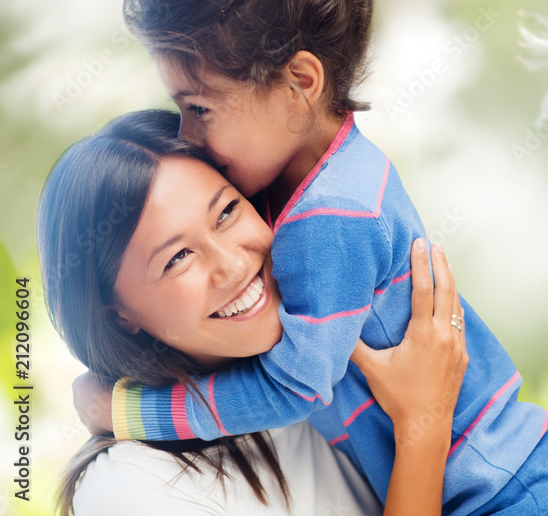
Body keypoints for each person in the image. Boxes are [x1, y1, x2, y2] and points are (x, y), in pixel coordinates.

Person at [76, 0, 548, 513]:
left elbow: (293, 386)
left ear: (300, 84)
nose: (186, 135)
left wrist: (128, 410)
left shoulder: (330, 216)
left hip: (512, 495)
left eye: (199, 107)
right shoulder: (321, 178)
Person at [39, 109, 468, 515]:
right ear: (119, 317)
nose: (233, 265)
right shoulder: (129, 487)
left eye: (227, 211)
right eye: (178, 257)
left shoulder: (321, 345)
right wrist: (423, 424)